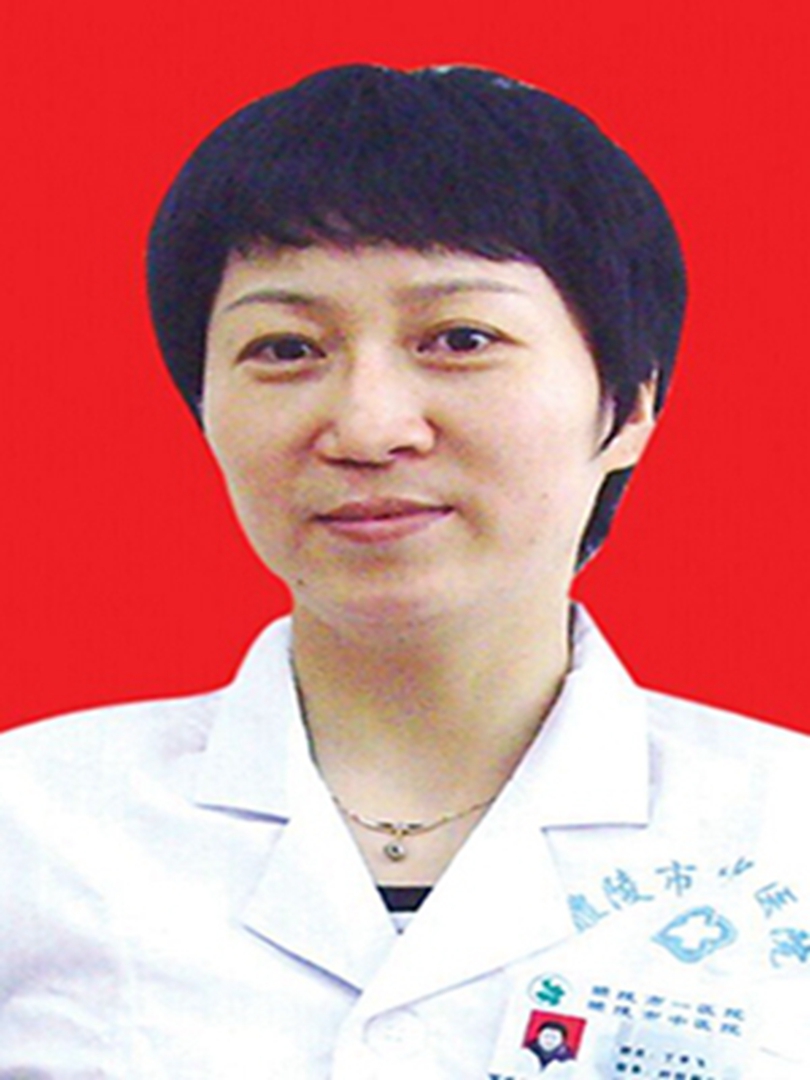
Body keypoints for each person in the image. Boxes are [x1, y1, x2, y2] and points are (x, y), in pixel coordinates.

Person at [0, 63, 808, 1080]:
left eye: (461, 338)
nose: (367, 426)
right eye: (285, 348)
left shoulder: (787, 826)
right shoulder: (30, 825)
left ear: (629, 407)